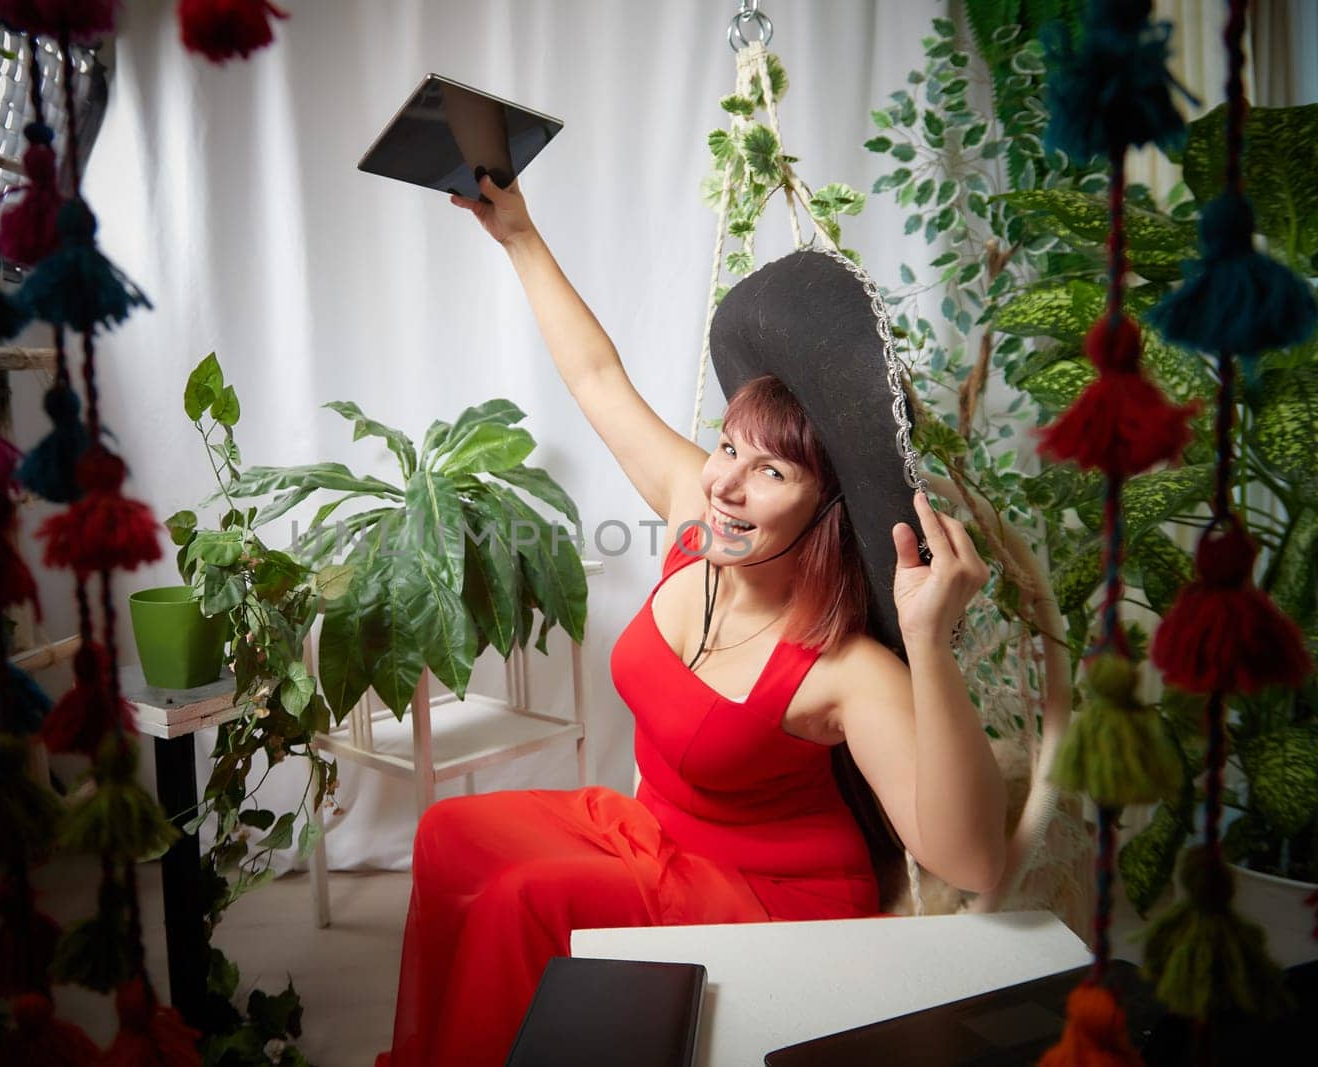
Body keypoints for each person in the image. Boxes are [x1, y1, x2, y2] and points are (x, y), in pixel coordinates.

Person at [373, 174, 1008, 1067]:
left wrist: (931, 640)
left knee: (526, 901)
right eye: (726, 446)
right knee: (446, 831)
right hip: (648, 829)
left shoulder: (842, 666)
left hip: (763, 891)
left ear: (825, 507)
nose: (725, 483)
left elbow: (973, 860)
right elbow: (598, 379)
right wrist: (518, 233)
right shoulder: (695, 523)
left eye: (772, 473)